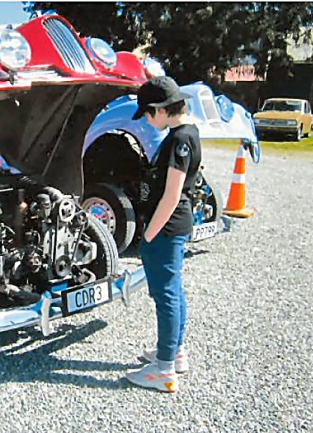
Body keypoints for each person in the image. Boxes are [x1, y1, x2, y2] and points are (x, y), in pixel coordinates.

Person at [124, 76, 201, 393]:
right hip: (176, 227)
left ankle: (163, 368)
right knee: (173, 290)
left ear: (158, 109)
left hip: (166, 228)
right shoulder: (188, 133)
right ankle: (175, 352)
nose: (145, 119)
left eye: (146, 113)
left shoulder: (178, 140)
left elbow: (172, 195)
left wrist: (149, 235)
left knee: (165, 294)